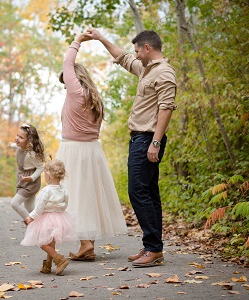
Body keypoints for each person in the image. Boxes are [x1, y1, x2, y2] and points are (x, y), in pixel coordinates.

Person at [85, 28, 177, 267]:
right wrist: (101, 38)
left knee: (137, 192)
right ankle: (153, 247)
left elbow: (166, 108)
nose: (134, 55)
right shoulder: (145, 69)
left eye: (138, 50)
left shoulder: (164, 73)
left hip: (148, 139)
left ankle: (153, 248)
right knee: (150, 193)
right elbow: (123, 57)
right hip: (140, 139)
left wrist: (155, 142)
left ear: (148, 48)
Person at [56, 33, 128, 262]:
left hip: (73, 150)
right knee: (88, 197)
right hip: (93, 151)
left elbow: (67, 62)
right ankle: (89, 247)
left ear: (74, 79)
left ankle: (85, 243)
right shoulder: (94, 97)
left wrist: (77, 40)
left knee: (74, 197)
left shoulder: (75, 92)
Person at [21, 159, 76, 275]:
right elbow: (65, 205)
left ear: (49, 176)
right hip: (60, 217)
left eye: (45, 175)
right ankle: (47, 265)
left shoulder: (46, 191)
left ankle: (59, 259)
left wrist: (31, 217)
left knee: (42, 242)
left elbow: (39, 207)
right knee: (50, 242)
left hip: (46, 218)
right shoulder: (63, 190)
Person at [10, 123, 45, 223]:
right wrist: (11, 145)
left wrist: (32, 178)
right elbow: (15, 146)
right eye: (17, 135)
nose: (17, 138)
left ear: (28, 141)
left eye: (21, 137)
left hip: (30, 183)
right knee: (30, 208)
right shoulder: (19, 147)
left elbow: (40, 168)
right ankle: (42, 225)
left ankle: (29, 222)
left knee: (14, 203)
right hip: (22, 181)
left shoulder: (31, 154)